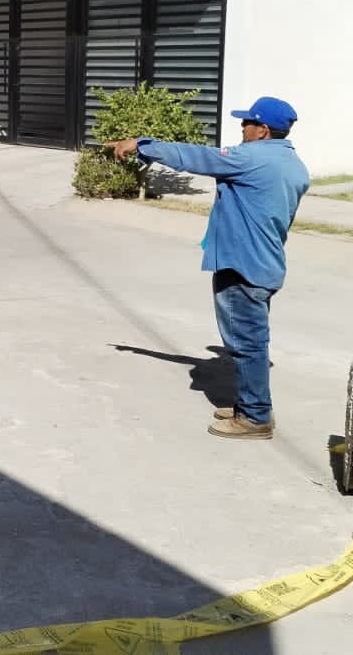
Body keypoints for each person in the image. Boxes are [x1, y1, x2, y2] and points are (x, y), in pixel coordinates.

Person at [107, 96, 310, 441]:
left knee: (247, 342)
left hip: (242, 266)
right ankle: (252, 405)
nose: (242, 128)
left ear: (262, 130)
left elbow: (195, 156)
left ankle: (255, 417)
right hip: (265, 263)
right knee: (251, 340)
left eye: (247, 123)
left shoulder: (249, 158)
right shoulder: (293, 164)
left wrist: (141, 144)